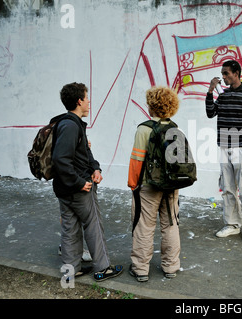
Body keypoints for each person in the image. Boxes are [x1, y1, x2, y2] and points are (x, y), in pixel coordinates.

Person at [52, 82, 123, 282]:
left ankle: (70, 273)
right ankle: (103, 269)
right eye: (86, 97)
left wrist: (96, 168)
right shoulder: (70, 126)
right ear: (79, 101)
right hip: (78, 189)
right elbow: (60, 159)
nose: (89, 101)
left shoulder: (68, 124)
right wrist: (78, 182)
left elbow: (83, 155)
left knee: (69, 229)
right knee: (93, 226)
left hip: (65, 189)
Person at [206, 60, 242, 243]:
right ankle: (232, 224)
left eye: (226, 73)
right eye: (222, 74)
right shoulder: (223, 95)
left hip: (241, 147)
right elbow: (210, 112)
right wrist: (210, 91)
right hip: (224, 146)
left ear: (236, 73)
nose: (223, 77)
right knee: (228, 188)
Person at [127, 86, 181, 282]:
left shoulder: (144, 129)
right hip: (172, 186)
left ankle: (141, 269)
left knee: (144, 226)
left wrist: (133, 184)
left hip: (148, 186)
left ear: (152, 106)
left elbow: (137, 160)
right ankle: (171, 266)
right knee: (171, 224)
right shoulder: (175, 128)